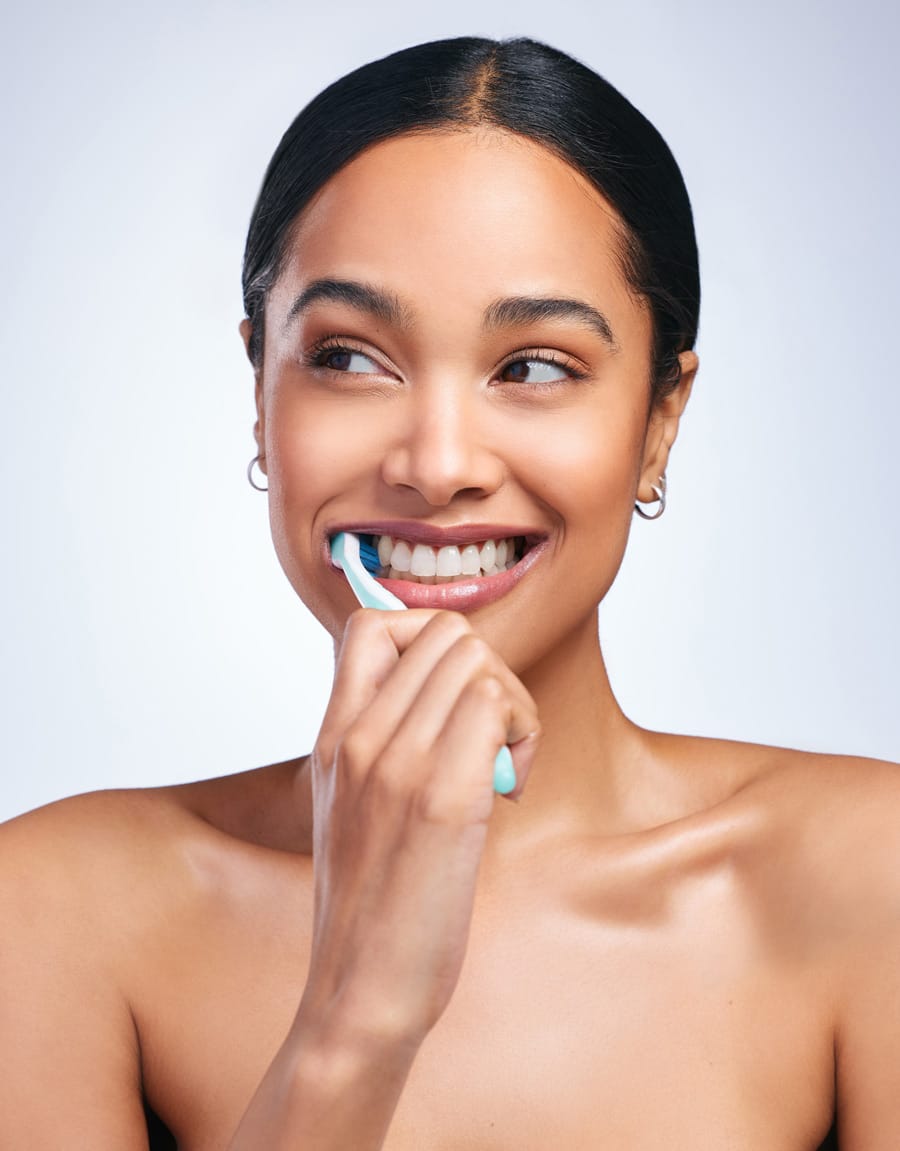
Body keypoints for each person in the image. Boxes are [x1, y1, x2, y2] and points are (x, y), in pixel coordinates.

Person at [1, 35, 897, 1150]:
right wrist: (355, 1015)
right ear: (259, 395)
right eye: (348, 357)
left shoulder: (874, 874)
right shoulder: (48, 915)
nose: (437, 462)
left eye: (534, 367)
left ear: (661, 419)